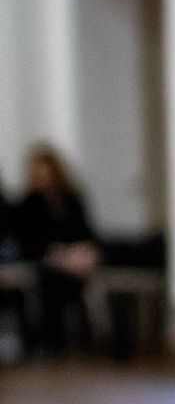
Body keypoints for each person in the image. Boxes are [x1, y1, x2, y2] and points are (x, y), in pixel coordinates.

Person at [13, 143, 101, 354]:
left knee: (77, 276)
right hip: (45, 259)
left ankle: (85, 340)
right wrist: (57, 253)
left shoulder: (71, 199)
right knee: (52, 282)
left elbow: (87, 231)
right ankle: (52, 341)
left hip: (74, 259)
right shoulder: (29, 204)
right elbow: (28, 240)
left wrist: (81, 250)